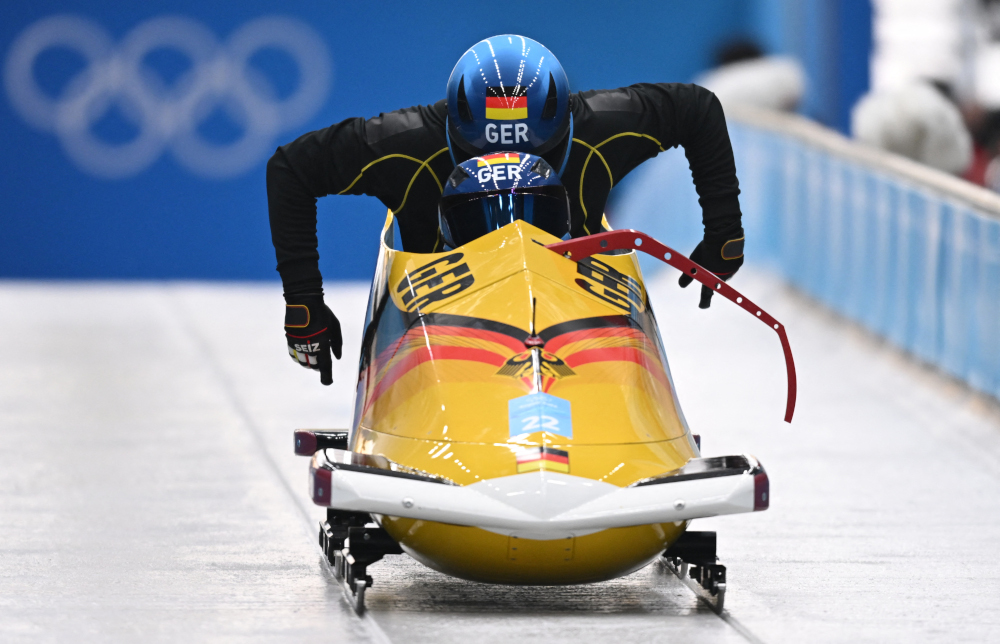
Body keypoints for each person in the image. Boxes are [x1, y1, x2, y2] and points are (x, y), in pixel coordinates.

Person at [268, 34, 746, 385]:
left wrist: (724, 231)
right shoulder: (408, 143)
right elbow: (292, 168)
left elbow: (698, 109)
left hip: (573, 317)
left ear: (563, 133)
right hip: (442, 329)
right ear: (456, 133)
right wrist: (303, 301)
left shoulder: (600, 125)